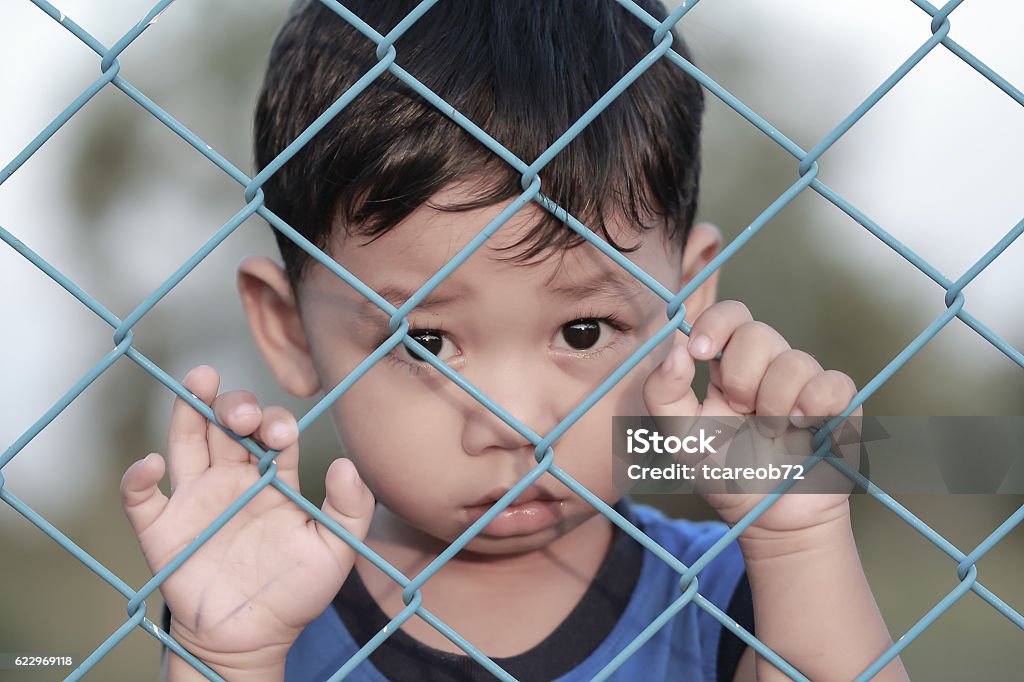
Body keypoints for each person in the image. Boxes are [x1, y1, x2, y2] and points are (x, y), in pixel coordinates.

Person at [119, 1, 909, 680]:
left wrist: (799, 541)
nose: (517, 422)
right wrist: (225, 659)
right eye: (425, 340)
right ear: (291, 330)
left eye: (583, 330)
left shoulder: (735, 595)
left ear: (685, 298)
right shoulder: (267, 608)